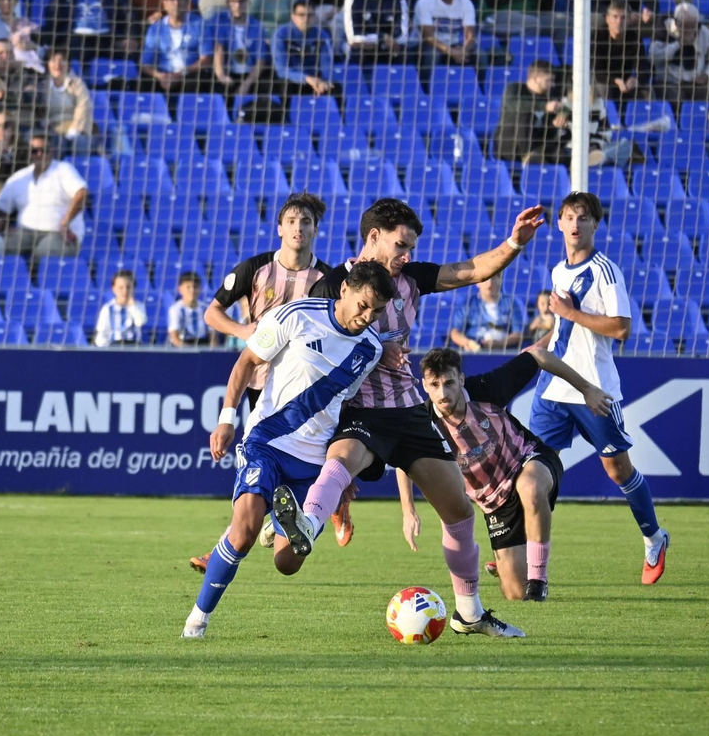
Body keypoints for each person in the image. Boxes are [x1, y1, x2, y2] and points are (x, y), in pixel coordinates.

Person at [290, 197, 545, 638]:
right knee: (341, 460)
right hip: (360, 409)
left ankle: (469, 614)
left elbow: (470, 270)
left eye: (410, 247)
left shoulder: (410, 279)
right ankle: (306, 525)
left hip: (408, 409)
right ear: (374, 237)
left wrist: (514, 243)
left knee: (459, 510)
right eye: (401, 245)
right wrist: (372, 349)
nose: (407, 255)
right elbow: (311, 353)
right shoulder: (331, 286)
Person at [182, 262, 396, 639]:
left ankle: (277, 523)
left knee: (288, 563)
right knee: (243, 533)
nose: (367, 317)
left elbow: (343, 406)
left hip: (312, 464)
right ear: (344, 290)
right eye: (363, 306)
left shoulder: (371, 349)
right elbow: (247, 361)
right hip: (267, 442)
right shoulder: (297, 315)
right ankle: (196, 622)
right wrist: (226, 418)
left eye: (377, 312)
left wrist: (342, 472)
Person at [186, 193, 337, 572]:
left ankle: (304, 515)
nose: (298, 228)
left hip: (306, 390)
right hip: (262, 384)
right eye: (292, 221)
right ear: (279, 228)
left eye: (306, 222)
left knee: (297, 464)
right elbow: (212, 313)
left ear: (316, 230)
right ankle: (240, 539)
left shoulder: (329, 279)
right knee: (256, 468)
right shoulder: (255, 268)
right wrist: (243, 331)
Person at [527, 190, 670, 584]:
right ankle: (521, 548)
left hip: (594, 389)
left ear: (595, 224)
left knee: (617, 469)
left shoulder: (606, 271)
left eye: (583, 218)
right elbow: (563, 329)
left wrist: (571, 312)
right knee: (532, 468)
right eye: (569, 217)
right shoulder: (558, 271)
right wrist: (537, 349)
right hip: (554, 386)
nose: (576, 224)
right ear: (559, 223)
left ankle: (654, 538)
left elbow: (622, 328)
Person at [407, 345, 612, 601]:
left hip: (527, 460)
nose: (443, 393)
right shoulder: (423, 420)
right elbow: (405, 459)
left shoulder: (487, 388)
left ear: (461, 379)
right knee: (514, 593)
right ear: (425, 386)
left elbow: (538, 355)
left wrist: (587, 389)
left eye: (449, 383)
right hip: (494, 502)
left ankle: (538, 581)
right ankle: (509, 568)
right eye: (435, 385)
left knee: (530, 488)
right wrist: (408, 510)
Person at [0, 132, 87, 262]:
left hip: (58, 233)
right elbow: (0, 208)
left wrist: (65, 222)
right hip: (25, 231)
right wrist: (4, 227)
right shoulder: (19, 177)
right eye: (34, 151)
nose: (39, 154)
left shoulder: (63, 169)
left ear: (52, 151)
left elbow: (81, 193)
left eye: (44, 150)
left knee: (43, 256)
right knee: (0, 247)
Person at [140, 0, 213, 93]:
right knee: (144, 82)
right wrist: (160, 76)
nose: (176, 3)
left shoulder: (200, 25)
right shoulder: (155, 28)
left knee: (196, 79)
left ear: (187, 2)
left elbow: (206, 59)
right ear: (164, 4)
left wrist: (180, 74)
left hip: (189, 75)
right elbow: (146, 62)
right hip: (163, 76)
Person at [493, 58, 567, 164]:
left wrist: (555, 124)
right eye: (549, 80)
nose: (553, 85)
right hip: (510, 145)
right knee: (525, 112)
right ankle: (527, 155)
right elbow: (513, 104)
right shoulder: (515, 88)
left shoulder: (548, 98)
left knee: (561, 155)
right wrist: (544, 107)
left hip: (538, 146)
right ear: (536, 79)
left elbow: (546, 132)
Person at [648, 1, 709, 104]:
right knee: (676, 101)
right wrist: (678, 44)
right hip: (669, 81)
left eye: (692, 26)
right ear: (676, 22)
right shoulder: (664, 29)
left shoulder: (703, 32)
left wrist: (706, 75)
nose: (689, 30)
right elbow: (652, 57)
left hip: (695, 82)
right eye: (685, 26)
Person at [206, 0, 269, 99]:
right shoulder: (219, 20)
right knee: (218, 90)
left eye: (242, 1)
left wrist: (247, 83)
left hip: (249, 74)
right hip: (227, 72)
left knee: (265, 90)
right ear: (227, 3)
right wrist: (221, 75)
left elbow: (261, 60)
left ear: (248, 2)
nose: (237, 5)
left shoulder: (257, 26)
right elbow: (218, 49)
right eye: (233, 1)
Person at [343, 0, 411, 66]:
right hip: (364, 47)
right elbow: (352, 36)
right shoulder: (353, 0)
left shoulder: (399, 0)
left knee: (406, 53)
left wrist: (387, 42)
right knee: (355, 50)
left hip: (390, 47)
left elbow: (402, 36)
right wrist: (381, 37)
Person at [415, 0, 478, 68]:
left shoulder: (466, 3)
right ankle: (428, 79)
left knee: (480, 55)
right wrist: (450, 51)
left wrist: (464, 50)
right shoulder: (426, 0)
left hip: (454, 45)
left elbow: (470, 36)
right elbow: (428, 37)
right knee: (433, 55)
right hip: (429, 45)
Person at [270, 1, 338, 96]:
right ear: (293, 17)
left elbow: (327, 66)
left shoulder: (322, 36)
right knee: (284, 86)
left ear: (315, 17)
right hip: (291, 79)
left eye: (310, 15)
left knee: (334, 88)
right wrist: (306, 79)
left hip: (315, 79)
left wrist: (324, 81)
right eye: (301, 15)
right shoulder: (281, 35)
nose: (306, 19)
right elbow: (281, 70)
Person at [448, 275, 526, 352]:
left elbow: (519, 334)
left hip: (502, 351)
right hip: (473, 350)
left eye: (493, 279)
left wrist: (499, 344)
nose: (489, 283)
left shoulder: (512, 303)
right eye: (485, 279)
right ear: (477, 283)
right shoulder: (467, 304)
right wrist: (468, 343)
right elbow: (455, 332)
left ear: (500, 280)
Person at [592, 0, 648, 104]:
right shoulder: (597, 37)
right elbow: (597, 72)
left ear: (629, 20)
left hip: (625, 83)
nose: (619, 22)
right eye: (615, 17)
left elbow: (643, 68)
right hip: (603, 81)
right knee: (605, 89)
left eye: (623, 17)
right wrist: (615, 81)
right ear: (607, 19)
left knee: (647, 92)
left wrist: (636, 80)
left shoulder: (634, 38)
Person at [0, 38, 45, 117]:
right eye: (0, 53)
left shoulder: (28, 74)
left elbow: (32, 97)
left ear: (14, 55)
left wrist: (4, 95)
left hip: (22, 118)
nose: (5, 56)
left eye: (9, 52)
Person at [43, 49, 93, 146]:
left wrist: (74, 130)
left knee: (80, 142)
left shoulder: (77, 84)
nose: (57, 64)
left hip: (78, 128)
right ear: (47, 64)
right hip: (51, 130)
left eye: (62, 60)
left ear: (68, 64)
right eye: (53, 60)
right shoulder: (42, 86)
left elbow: (83, 106)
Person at [94, 269, 145, 346]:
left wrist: (132, 306)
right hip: (114, 345)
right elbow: (102, 332)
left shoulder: (138, 306)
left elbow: (140, 322)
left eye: (128, 287)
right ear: (114, 289)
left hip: (134, 345)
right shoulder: (107, 308)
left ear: (133, 288)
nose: (125, 291)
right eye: (121, 287)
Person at [168, 272, 210, 347]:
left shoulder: (206, 308)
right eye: (188, 287)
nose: (192, 290)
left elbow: (213, 336)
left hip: (203, 343)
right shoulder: (176, 309)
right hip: (183, 345)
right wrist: (191, 351)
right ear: (180, 289)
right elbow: (175, 338)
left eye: (195, 287)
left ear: (200, 289)